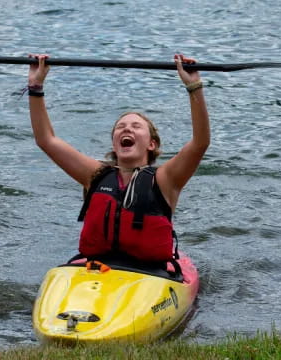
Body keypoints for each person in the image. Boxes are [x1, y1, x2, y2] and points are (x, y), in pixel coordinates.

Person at [27, 53, 210, 264]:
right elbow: (46, 140)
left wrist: (194, 86)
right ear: (114, 144)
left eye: (136, 126)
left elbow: (200, 143)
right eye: (121, 127)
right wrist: (35, 86)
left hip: (150, 275)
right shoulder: (95, 174)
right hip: (96, 270)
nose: (127, 129)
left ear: (152, 144)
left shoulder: (165, 179)